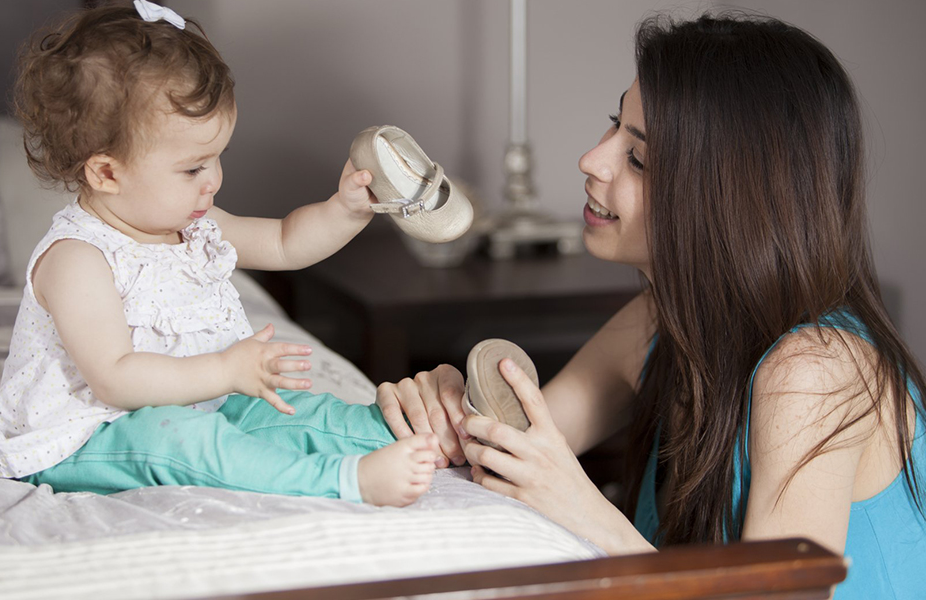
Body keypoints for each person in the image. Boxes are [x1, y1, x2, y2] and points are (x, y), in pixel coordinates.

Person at [374, 13, 926, 598]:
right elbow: (510, 445)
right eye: (615, 125)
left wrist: (582, 506)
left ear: (728, 199)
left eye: (638, 159)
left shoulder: (815, 371)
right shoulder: (661, 321)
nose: (592, 160)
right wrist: (446, 408)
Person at [0, 2, 441, 508]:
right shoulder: (77, 259)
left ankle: (412, 434)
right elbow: (116, 378)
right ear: (107, 173)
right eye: (192, 168)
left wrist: (346, 210)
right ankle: (343, 479)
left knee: (294, 411)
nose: (215, 180)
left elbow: (286, 242)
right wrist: (226, 370)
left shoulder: (194, 225)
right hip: (93, 434)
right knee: (186, 441)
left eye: (217, 157)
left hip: (203, 399)